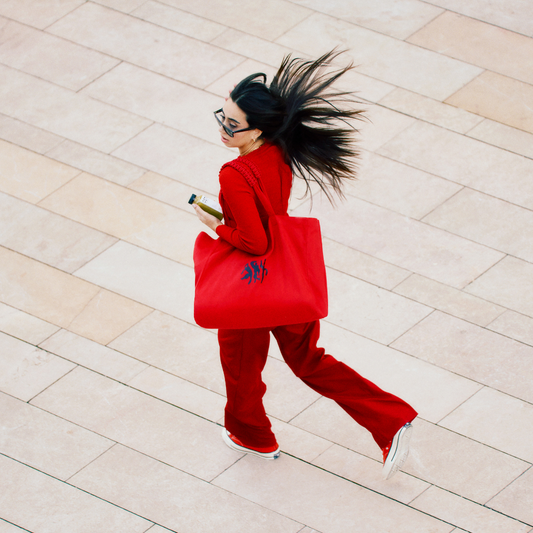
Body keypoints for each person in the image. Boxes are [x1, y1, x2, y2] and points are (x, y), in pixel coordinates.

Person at [192, 51, 417, 480]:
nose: (224, 128)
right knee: (308, 359)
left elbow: (255, 242)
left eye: (232, 124)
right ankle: (391, 420)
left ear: (257, 130)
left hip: (252, 283)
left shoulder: (234, 174)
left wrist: (215, 225)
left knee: (240, 361)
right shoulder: (278, 152)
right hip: (288, 278)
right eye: (223, 115)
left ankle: (252, 435)